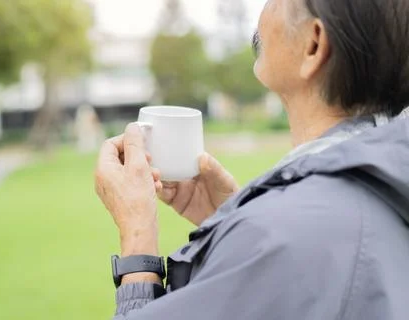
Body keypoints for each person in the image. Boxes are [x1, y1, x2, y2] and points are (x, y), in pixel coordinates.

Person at [95, 0, 409, 319]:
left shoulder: (289, 233)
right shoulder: (386, 183)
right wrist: (235, 220)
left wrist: (138, 240)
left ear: (314, 44)